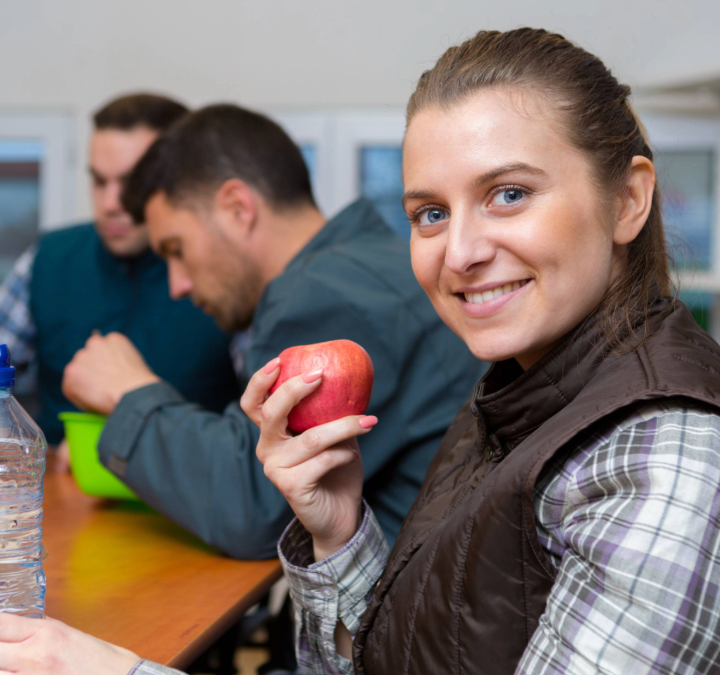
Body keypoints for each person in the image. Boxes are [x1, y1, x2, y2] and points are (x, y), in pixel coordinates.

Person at [0, 27, 720, 675]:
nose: (458, 252)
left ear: (630, 201)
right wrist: (338, 527)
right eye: (429, 212)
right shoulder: (515, 393)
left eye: (508, 194)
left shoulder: (669, 458)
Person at [57, 103, 482, 560]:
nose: (177, 285)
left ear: (238, 208)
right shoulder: (361, 263)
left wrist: (129, 392)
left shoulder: (329, 293)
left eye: (177, 249)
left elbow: (252, 507)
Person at [0, 93, 240, 451]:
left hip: (183, 501)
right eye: (99, 182)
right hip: (51, 495)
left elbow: (252, 439)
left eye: (133, 183)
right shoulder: (50, 257)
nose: (112, 204)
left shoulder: (227, 273)